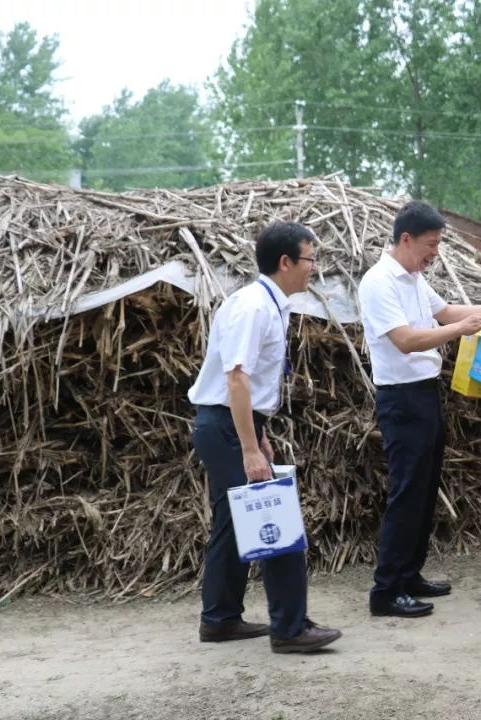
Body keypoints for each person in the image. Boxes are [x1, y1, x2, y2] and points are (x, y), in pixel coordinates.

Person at [187, 221, 341, 652]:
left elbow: (248, 384)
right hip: (224, 425)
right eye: (310, 259)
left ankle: (219, 619)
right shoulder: (254, 306)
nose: (314, 268)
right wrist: (250, 448)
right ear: (286, 261)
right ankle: (290, 629)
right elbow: (237, 378)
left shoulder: (272, 305)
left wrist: (259, 432)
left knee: (232, 523)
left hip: (232, 424)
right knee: (274, 515)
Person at [358, 201, 481, 618]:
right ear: (405, 239)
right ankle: (386, 590)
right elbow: (405, 340)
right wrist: (463, 329)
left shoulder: (412, 278)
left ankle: (409, 574)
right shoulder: (379, 282)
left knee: (424, 489)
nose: (435, 252)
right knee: (407, 492)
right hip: (401, 398)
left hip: (424, 393)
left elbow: (443, 312)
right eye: (431, 244)